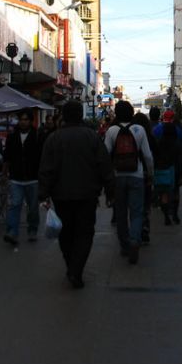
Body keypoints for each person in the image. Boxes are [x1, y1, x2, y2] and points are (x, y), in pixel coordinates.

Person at [38, 101, 115, 289]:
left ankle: (72, 266)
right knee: (85, 232)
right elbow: (104, 165)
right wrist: (110, 191)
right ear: (80, 115)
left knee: (66, 232)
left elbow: (46, 168)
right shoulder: (92, 137)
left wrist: (43, 193)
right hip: (87, 195)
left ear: (64, 115)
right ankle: (76, 269)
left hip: (61, 195)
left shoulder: (54, 139)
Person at [104, 100, 154, 264]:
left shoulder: (111, 130)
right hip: (136, 175)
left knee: (120, 213)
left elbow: (105, 156)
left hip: (118, 177)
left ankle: (124, 245)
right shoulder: (139, 129)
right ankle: (134, 240)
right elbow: (147, 155)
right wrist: (150, 173)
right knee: (137, 212)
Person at [3, 109, 42, 245]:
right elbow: (7, 156)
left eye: (26, 119)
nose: (23, 122)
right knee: (14, 205)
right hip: (16, 177)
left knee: (33, 208)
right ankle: (12, 232)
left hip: (33, 178)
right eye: (21, 119)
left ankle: (32, 229)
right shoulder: (12, 136)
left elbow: (42, 158)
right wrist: (5, 174)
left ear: (31, 121)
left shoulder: (37, 135)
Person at [153, 110, 182, 223]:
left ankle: (166, 216)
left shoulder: (157, 130)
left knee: (164, 193)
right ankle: (175, 214)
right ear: (173, 118)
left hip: (162, 167)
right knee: (175, 191)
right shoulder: (178, 131)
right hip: (175, 167)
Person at [133, 112, 157, 244]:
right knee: (146, 203)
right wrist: (152, 172)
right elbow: (152, 156)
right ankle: (144, 228)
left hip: (132, 172)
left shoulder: (130, 134)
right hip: (145, 174)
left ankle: (135, 230)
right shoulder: (150, 137)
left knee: (135, 204)